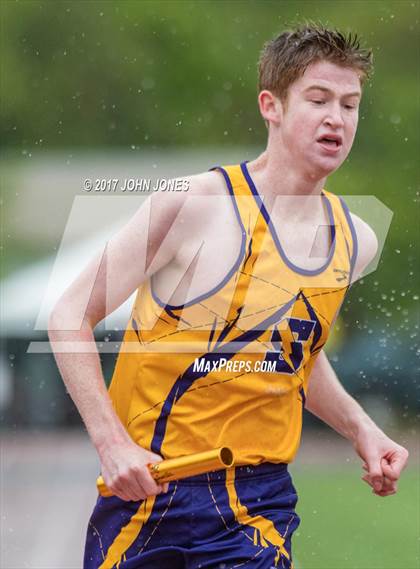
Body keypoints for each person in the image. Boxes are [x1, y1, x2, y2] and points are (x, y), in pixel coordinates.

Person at [48, 23, 409, 569]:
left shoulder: (355, 239)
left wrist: (362, 428)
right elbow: (70, 314)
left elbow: (293, 358)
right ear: (272, 106)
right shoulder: (191, 205)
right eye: (318, 100)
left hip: (257, 504)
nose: (337, 118)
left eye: (350, 104)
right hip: (149, 492)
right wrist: (111, 443)